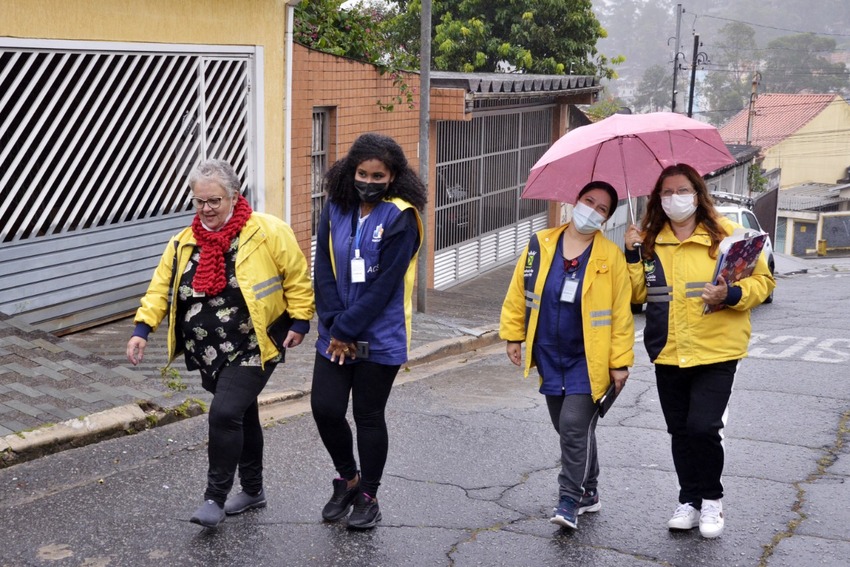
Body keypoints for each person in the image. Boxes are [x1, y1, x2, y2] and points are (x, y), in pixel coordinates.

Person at [126, 159, 314, 528]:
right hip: (207, 351)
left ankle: (215, 498)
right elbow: (161, 288)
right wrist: (141, 329)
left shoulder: (267, 231)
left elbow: (297, 276)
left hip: (254, 342)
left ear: (233, 196)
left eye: (214, 201)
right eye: (199, 202)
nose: (207, 209)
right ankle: (254, 490)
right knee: (243, 414)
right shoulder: (183, 242)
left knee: (225, 414)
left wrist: (302, 319)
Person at [624, 163, 775, 539]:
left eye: (682, 190)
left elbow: (763, 282)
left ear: (698, 194)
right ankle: (688, 500)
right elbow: (638, 294)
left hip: (716, 350)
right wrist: (630, 256)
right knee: (680, 431)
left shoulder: (730, 237)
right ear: (657, 199)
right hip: (667, 349)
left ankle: (711, 499)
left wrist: (732, 294)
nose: (675, 198)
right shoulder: (649, 242)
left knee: (703, 427)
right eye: (667, 192)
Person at [500, 181, 634, 530]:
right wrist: (513, 335)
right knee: (567, 427)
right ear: (575, 201)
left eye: (601, 208)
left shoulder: (611, 257)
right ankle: (590, 491)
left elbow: (622, 314)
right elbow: (519, 292)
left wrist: (620, 362)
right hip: (549, 353)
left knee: (574, 426)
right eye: (588, 201)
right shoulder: (541, 244)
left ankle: (569, 500)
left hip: (589, 359)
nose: (592, 210)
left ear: (606, 219)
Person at [311, 133, 426, 530]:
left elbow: (386, 285)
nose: (369, 181)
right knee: (325, 408)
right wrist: (333, 325)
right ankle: (348, 478)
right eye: (363, 173)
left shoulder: (402, 216)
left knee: (368, 415)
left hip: (380, 335)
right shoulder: (336, 207)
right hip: (334, 329)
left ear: (393, 177)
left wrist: (346, 327)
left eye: (379, 176)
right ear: (350, 171)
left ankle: (368, 497)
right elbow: (323, 268)